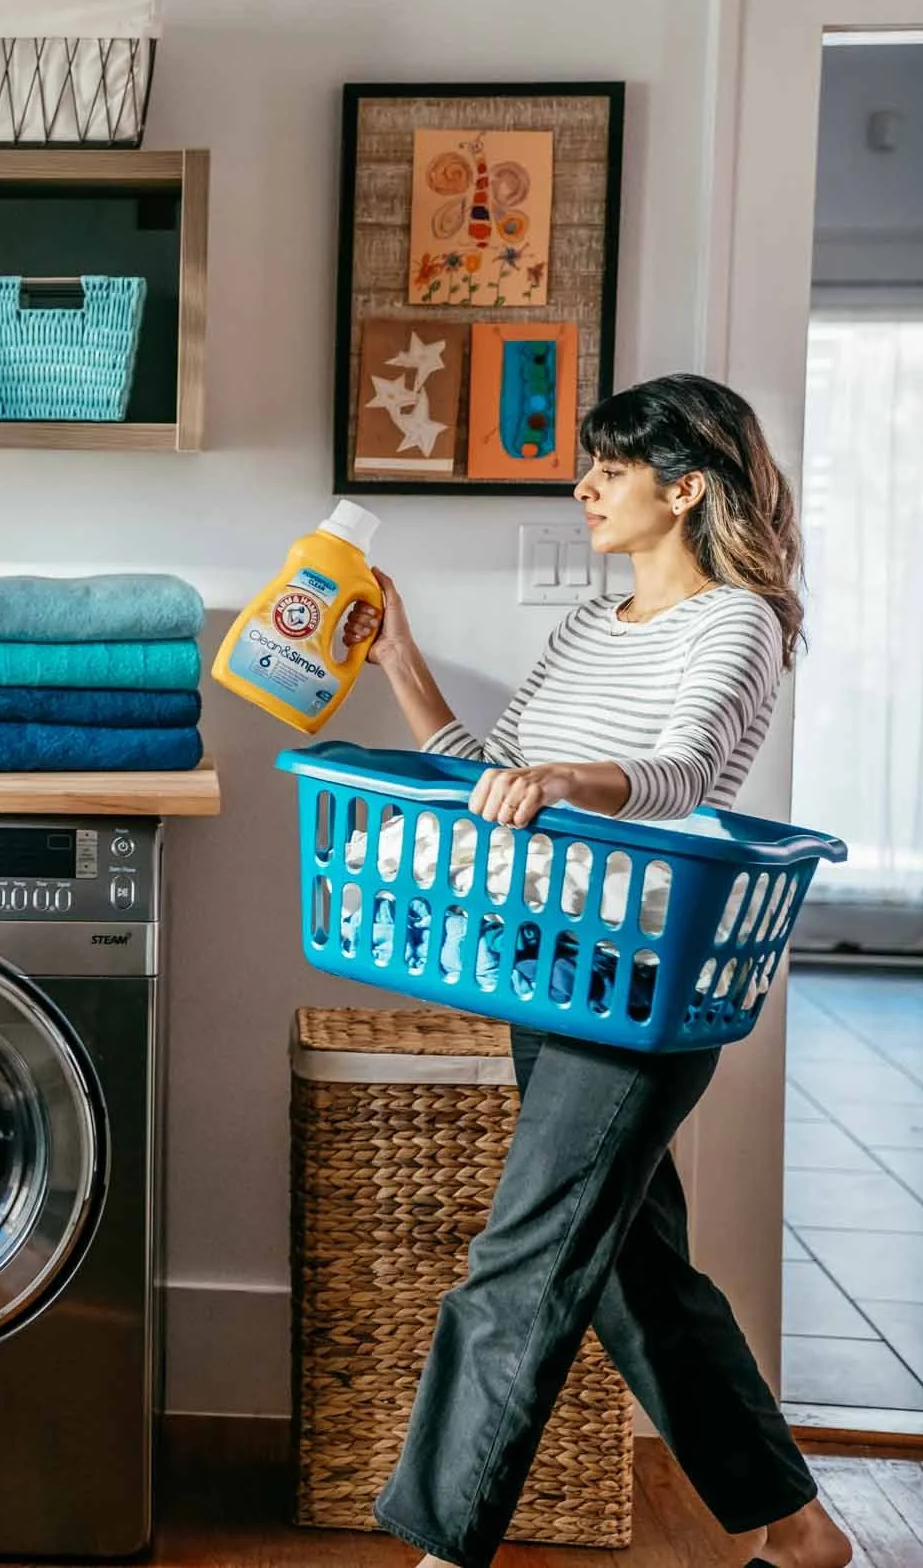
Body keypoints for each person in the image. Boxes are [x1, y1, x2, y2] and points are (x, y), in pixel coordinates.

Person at [348, 374, 854, 1568]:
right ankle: (795, 1522)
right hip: (550, 965)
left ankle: (436, 1548)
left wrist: (569, 779)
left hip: (643, 982)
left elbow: (678, 773)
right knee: (633, 1270)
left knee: (520, 1259)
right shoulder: (586, 625)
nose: (583, 486)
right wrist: (403, 658)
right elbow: (495, 774)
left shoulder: (737, 621)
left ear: (684, 489)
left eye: (611, 468)